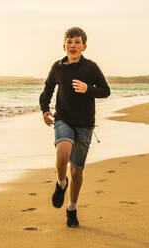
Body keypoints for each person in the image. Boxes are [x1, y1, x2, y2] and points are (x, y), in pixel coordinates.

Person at [39, 27, 110, 227]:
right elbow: (48, 89)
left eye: (77, 42)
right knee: (62, 154)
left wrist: (88, 89)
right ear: (64, 46)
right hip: (63, 119)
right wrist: (45, 110)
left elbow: (105, 91)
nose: (73, 45)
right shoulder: (57, 68)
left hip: (86, 125)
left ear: (84, 46)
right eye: (69, 42)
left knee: (77, 171)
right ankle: (61, 183)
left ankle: (72, 208)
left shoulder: (91, 68)